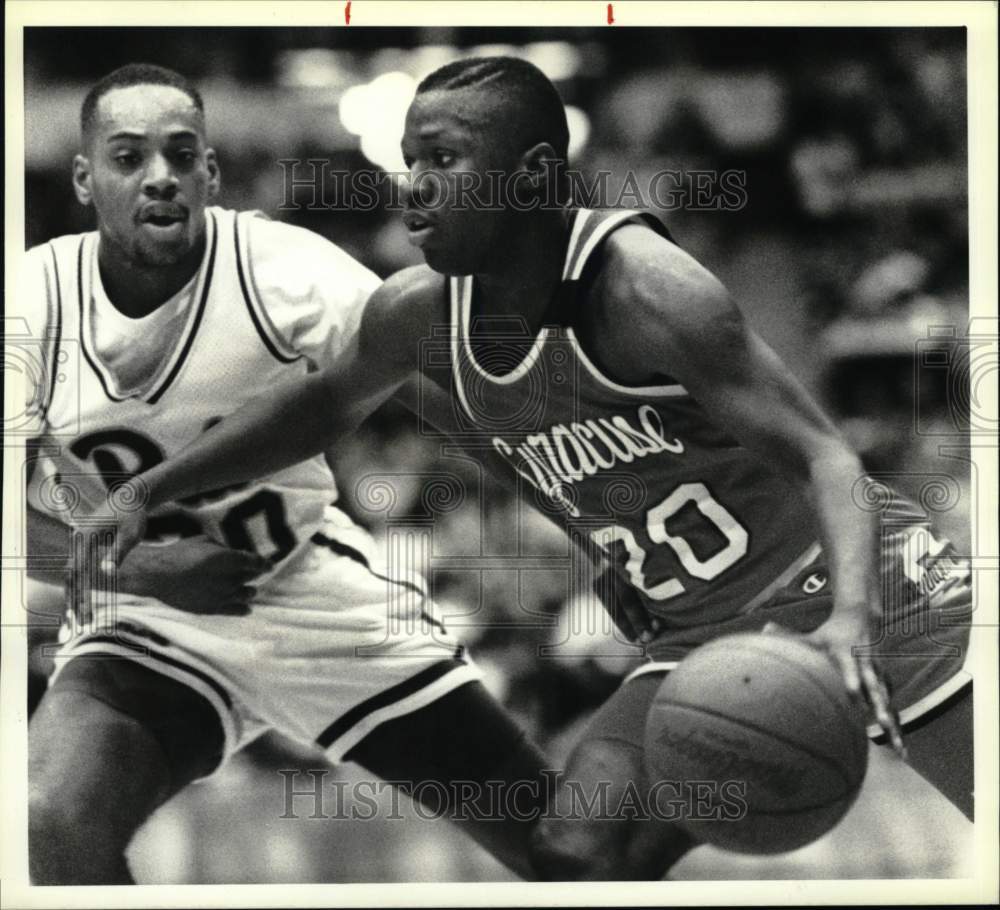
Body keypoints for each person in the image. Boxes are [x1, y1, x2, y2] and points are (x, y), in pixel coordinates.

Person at [87, 57, 974, 879]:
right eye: (408, 159)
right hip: (703, 634)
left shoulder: (648, 293)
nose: (414, 184)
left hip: (876, 601)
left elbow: (828, 456)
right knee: (577, 851)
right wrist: (151, 486)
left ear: (537, 175)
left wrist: (853, 619)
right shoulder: (415, 314)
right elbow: (320, 406)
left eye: (444, 158)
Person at [24, 63, 550, 885]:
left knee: (562, 847)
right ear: (86, 178)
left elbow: (441, 385)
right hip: (137, 621)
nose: (159, 176)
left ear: (210, 173)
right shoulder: (30, 303)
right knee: (45, 825)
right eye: (128, 158)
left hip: (309, 593)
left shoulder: (285, 268)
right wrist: (150, 572)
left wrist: (590, 520)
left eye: (180, 154)